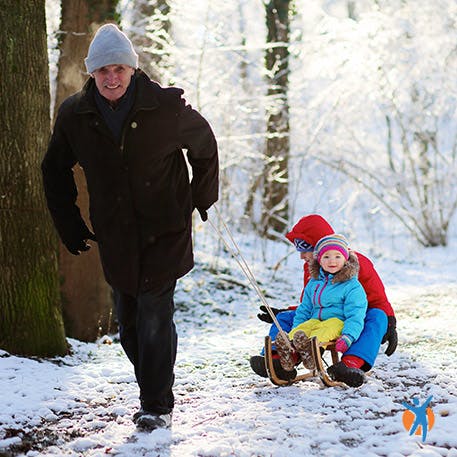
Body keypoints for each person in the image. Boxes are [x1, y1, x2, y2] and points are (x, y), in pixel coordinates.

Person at [41, 24, 219, 431]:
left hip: (166, 230)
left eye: (119, 68)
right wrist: (70, 224)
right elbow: (53, 170)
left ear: (133, 69)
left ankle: (156, 404)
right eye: (102, 71)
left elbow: (205, 146)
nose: (111, 77)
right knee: (131, 324)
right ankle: (155, 384)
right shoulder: (76, 115)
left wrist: (200, 197)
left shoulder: (165, 107)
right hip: (116, 234)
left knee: (155, 314)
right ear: (91, 74)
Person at [250, 214, 397, 387]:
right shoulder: (313, 269)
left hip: (348, 316)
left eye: (305, 248)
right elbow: (311, 303)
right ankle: (277, 360)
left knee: (377, 317)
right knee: (284, 318)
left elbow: (377, 297)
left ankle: (351, 364)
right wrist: (285, 311)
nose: (301, 255)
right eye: (298, 249)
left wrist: (389, 321)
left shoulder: (359, 263)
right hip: (319, 316)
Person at [274, 234, 368, 372]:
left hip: (338, 322)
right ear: (319, 260)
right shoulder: (314, 282)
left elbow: (356, 314)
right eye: (326, 257)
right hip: (315, 320)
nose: (332, 261)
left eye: (337, 256)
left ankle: (311, 352)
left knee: (325, 329)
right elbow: (305, 308)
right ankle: (290, 353)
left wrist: (348, 336)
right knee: (303, 329)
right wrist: (297, 328)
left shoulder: (352, 286)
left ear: (346, 259)